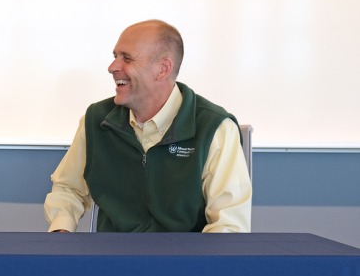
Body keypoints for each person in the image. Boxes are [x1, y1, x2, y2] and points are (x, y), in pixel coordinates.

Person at [44, 20, 251, 233]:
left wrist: (197, 265)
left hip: (184, 261)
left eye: (127, 58)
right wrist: (62, 232)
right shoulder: (96, 120)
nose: (112, 67)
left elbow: (228, 225)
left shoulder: (215, 128)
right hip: (111, 258)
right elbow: (69, 188)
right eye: (115, 56)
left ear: (162, 69)